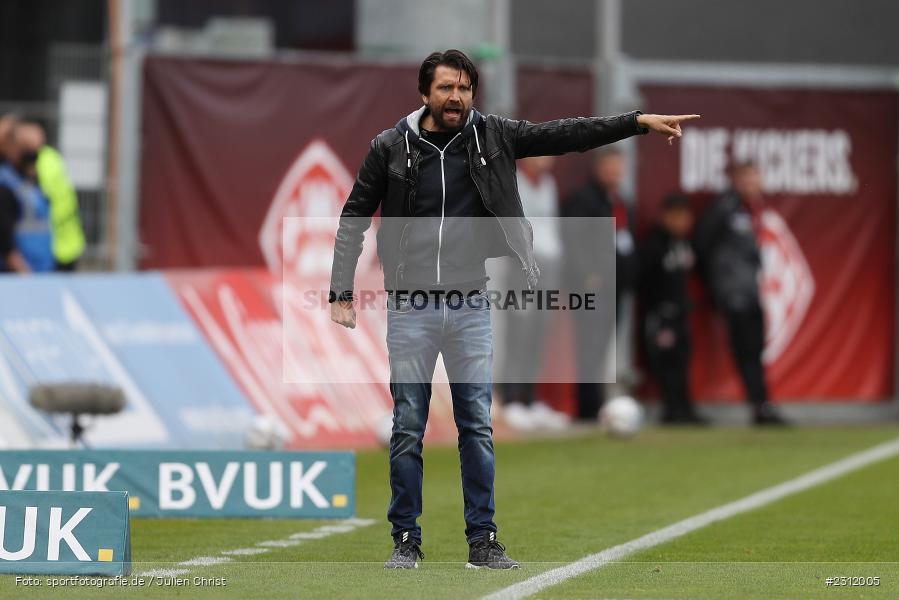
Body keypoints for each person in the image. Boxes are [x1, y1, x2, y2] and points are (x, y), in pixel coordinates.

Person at [328, 48, 699, 569]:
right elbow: (354, 215)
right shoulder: (389, 146)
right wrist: (340, 290)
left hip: (471, 302)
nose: (455, 97)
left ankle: (483, 542)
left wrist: (635, 123)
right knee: (409, 425)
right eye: (444, 88)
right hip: (410, 305)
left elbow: (567, 134)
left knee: (476, 423)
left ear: (473, 93)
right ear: (424, 93)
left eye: (463, 88)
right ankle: (405, 541)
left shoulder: (493, 136)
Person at [694, 162, 787, 426]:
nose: (753, 183)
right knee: (746, 349)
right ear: (736, 180)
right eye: (747, 177)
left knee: (754, 349)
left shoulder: (752, 208)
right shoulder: (724, 207)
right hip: (733, 291)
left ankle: (762, 405)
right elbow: (702, 242)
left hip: (750, 289)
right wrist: (717, 283)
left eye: (756, 177)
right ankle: (760, 406)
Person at [561, 148, 638, 421]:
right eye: (610, 167)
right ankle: (587, 408)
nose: (615, 172)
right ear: (597, 168)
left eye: (618, 167)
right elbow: (573, 241)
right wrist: (586, 276)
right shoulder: (582, 200)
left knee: (604, 346)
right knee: (589, 347)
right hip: (592, 288)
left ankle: (598, 402)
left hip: (616, 285)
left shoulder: (620, 201)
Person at [500, 155, 568, 431]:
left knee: (539, 333)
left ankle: (530, 399)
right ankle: (511, 400)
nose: (547, 159)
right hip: (522, 268)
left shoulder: (548, 183)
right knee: (519, 331)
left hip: (549, 267)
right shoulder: (513, 182)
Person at [639, 193, 706, 424]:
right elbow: (641, 279)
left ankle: (685, 409)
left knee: (682, 362)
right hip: (661, 316)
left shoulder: (686, 243)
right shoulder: (654, 244)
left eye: (685, 217)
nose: (682, 222)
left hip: (681, 314)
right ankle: (672, 410)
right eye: (676, 217)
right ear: (665, 217)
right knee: (666, 364)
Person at [24, 122, 85, 271]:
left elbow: (43, 202)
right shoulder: (52, 156)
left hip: (55, 247)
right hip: (67, 245)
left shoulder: (42, 163)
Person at [0, 117, 54, 273]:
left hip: (40, 271)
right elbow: (5, 241)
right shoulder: (6, 187)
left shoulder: (26, 181)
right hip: (19, 277)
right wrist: (24, 273)